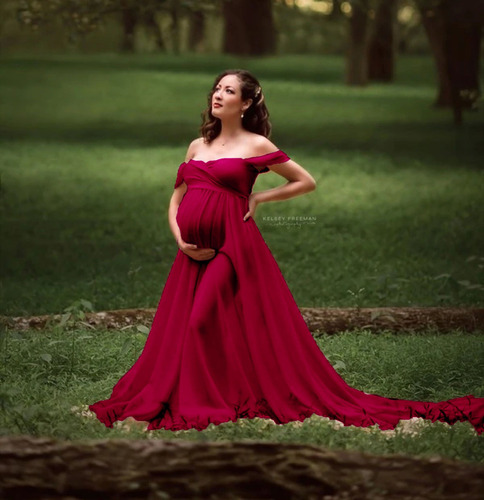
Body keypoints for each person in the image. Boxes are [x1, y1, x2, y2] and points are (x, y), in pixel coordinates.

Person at [89, 69, 483, 434]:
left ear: (245, 104)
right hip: (191, 254)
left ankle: (204, 402)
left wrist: (260, 198)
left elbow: (305, 181)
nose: (218, 94)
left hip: (232, 248)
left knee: (199, 322)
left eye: (229, 90)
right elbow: (175, 201)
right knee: (189, 326)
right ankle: (197, 393)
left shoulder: (256, 144)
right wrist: (180, 239)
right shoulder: (198, 145)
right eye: (217, 88)